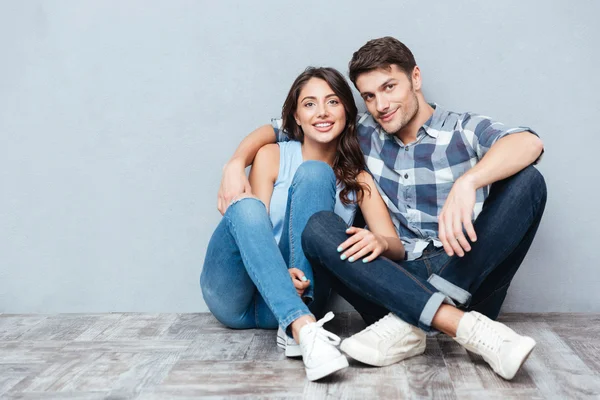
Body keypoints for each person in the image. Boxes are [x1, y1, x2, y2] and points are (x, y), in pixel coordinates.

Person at [216, 37, 547, 380]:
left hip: (467, 271)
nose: (381, 104)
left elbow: (529, 142)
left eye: (389, 87)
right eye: (369, 97)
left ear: (415, 78)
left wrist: (469, 182)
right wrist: (236, 161)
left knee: (530, 182)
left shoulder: (462, 129)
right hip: (394, 279)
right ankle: (458, 325)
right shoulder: (362, 130)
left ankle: (417, 322)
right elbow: (283, 126)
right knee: (318, 228)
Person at [201, 66, 406, 381]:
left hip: (306, 295)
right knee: (245, 208)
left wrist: (378, 241)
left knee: (316, 173)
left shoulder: (358, 178)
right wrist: (236, 163)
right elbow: (254, 230)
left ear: (348, 113)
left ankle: (299, 327)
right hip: (238, 292)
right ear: (295, 117)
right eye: (309, 104)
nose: (321, 112)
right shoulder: (271, 155)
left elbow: (396, 247)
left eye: (333, 102)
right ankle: (299, 326)